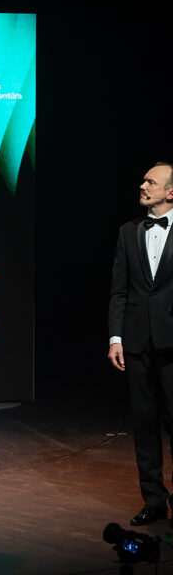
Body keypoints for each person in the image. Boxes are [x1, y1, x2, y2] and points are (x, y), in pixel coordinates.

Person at [108, 161, 173, 526]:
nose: (143, 185)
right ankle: (154, 501)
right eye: (144, 180)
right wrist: (115, 337)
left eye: (151, 181)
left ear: (170, 192)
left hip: (172, 343)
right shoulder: (128, 232)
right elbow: (119, 290)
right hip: (135, 343)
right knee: (144, 425)